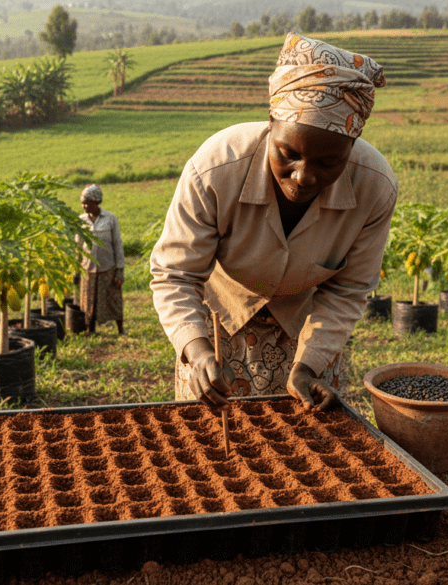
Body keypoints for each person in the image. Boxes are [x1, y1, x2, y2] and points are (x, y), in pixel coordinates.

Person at [150, 33, 397, 412]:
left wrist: (309, 365)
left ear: (352, 145)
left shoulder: (374, 187)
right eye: (289, 154)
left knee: (307, 443)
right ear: (271, 123)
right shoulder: (216, 168)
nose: (303, 176)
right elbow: (175, 275)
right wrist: (198, 353)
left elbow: (348, 290)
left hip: (306, 329)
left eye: (328, 163)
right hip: (219, 326)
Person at [76, 184, 126, 335]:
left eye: (87, 203)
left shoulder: (110, 219)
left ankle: (120, 329)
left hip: (107, 268)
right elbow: (77, 246)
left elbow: (117, 244)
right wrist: (76, 269)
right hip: (88, 268)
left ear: (96, 202)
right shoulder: (81, 220)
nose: (84, 206)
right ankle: (90, 329)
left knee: (113, 299)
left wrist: (119, 271)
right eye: (82, 203)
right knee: (88, 301)